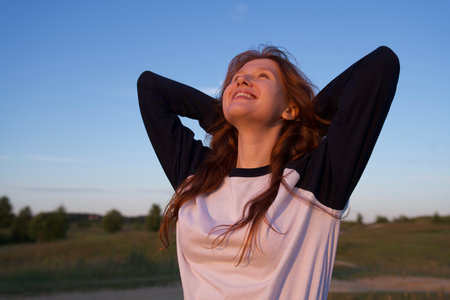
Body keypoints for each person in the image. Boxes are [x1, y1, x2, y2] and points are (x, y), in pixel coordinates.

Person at [137, 46, 400, 300]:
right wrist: (225, 113)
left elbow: (380, 65)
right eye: (236, 80)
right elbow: (150, 88)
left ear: (289, 108)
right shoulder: (198, 175)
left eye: (262, 77)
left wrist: (303, 117)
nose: (242, 80)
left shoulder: (315, 178)